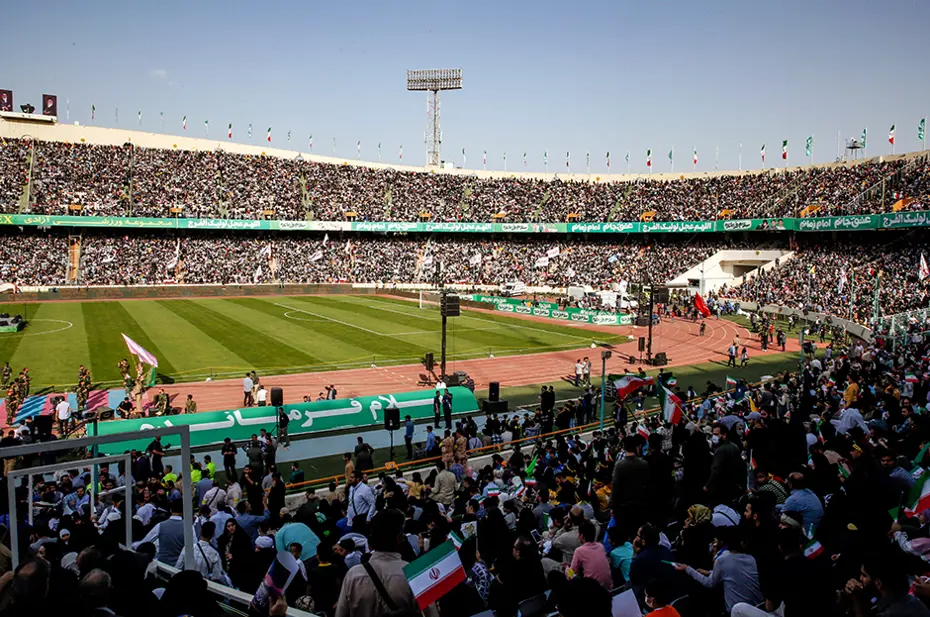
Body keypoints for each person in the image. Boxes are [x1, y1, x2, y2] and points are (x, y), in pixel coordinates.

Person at [335, 509, 418, 617]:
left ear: (370, 542)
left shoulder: (353, 575)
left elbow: (341, 613)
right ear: (400, 538)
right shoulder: (412, 574)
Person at [675, 526, 763, 614]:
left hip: (736, 613)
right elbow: (734, 573)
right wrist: (710, 572)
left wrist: (688, 569)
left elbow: (710, 583)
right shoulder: (751, 558)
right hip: (758, 609)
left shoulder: (722, 560)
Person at [570, 521, 612, 590]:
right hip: (608, 586)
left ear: (582, 536)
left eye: (579, 534)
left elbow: (571, 573)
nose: (578, 536)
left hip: (592, 590)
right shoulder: (601, 546)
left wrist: (566, 569)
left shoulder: (579, 551)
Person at [346, 470, 375, 535]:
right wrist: (348, 515)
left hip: (361, 520)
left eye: (352, 477)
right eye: (350, 477)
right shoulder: (351, 488)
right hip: (352, 521)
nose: (350, 479)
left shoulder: (365, 489)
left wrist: (368, 518)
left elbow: (372, 504)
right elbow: (350, 502)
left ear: (358, 479)